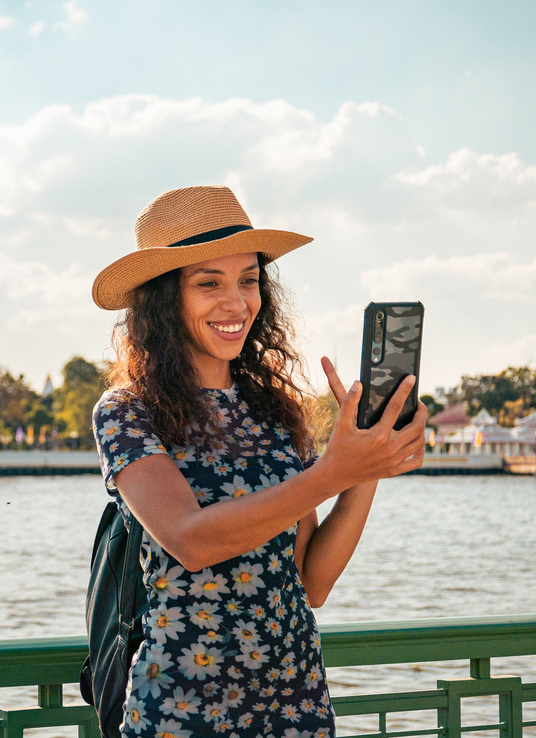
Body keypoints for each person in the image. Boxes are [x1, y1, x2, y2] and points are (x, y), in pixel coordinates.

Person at [90, 186, 427, 738]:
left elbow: (310, 581)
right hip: (182, 709)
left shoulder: (276, 410)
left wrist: (366, 466)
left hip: (295, 704)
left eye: (248, 280)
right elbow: (190, 540)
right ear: (161, 299)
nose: (236, 302)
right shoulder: (129, 411)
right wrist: (332, 472)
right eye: (208, 284)